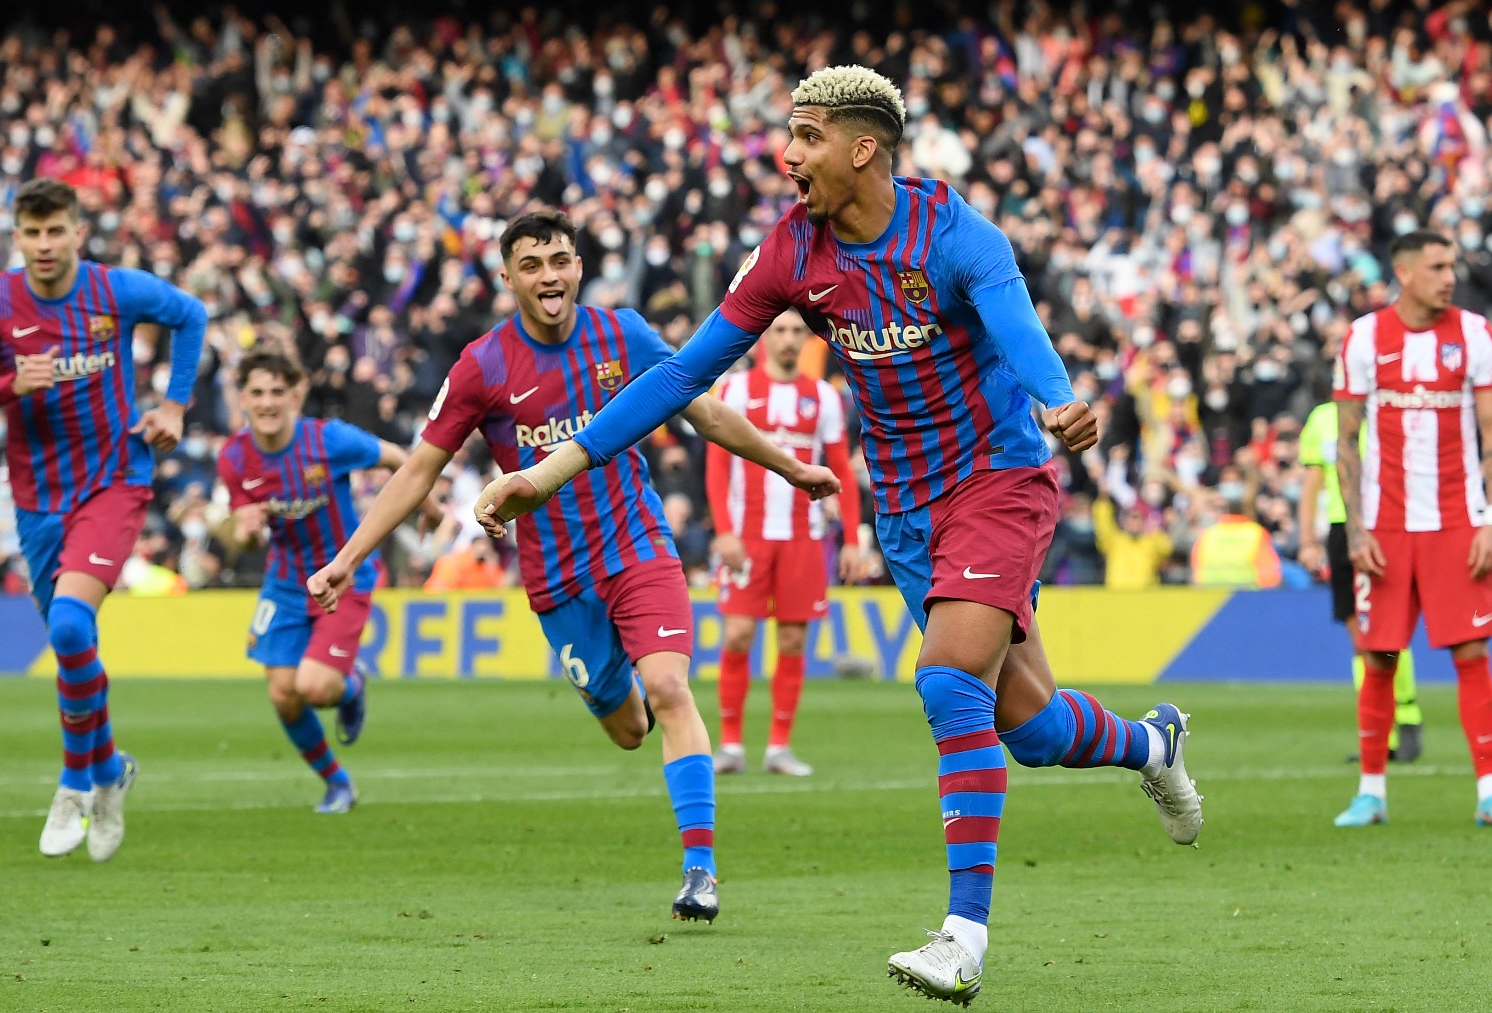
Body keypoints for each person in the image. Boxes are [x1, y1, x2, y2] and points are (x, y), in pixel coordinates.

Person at [471, 67, 1202, 1004]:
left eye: (806, 137)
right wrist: (548, 469)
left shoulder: (957, 237)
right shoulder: (790, 251)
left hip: (997, 481)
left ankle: (962, 937)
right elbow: (681, 375)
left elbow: (1020, 330)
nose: (787, 156)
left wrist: (1060, 398)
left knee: (946, 681)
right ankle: (1153, 745)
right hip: (903, 510)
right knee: (1028, 726)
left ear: (863, 148)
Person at [308, 209, 838, 923]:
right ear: (507, 279)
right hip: (558, 580)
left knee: (670, 687)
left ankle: (700, 870)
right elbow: (417, 472)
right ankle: (644, 692)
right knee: (628, 726)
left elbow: (707, 415)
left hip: (637, 545)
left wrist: (793, 468)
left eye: (559, 260)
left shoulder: (624, 335)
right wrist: (347, 558)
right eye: (531, 266)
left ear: (579, 266)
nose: (549, 276)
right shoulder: (482, 366)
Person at [0, 178, 206, 861]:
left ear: (79, 232)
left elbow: (191, 313)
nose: (46, 244)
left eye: (57, 230)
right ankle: (112, 768)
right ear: (17, 236)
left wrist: (174, 405)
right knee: (74, 641)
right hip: (38, 501)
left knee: (65, 623)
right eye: (33, 232)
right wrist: (9, 385)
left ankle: (73, 781)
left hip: (115, 480)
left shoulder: (116, 291)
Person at [1332, 229, 1492, 831]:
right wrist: (1356, 530)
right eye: (1438, 266)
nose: (1450, 276)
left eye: (1453, 266)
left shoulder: (1475, 335)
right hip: (1386, 525)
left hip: (1457, 521)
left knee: (1472, 653)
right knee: (1380, 657)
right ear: (1405, 271)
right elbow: (1346, 442)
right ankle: (1371, 792)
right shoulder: (1364, 338)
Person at [217, 351, 422, 814]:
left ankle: (351, 686)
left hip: (341, 577)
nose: (267, 403)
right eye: (257, 393)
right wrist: (243, 532)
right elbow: (243, 538)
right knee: (282, 695)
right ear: (242, 398)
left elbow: (398, 458)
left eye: (277, 392)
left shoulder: (328, 440)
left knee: (315, 689)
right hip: (285, 584)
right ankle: (337, 783)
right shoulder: (233, 458)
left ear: (296, 395)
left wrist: (425, 504)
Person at [706, 308, 871, 777]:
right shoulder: (735, 390)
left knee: (794, 640)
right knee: (738, 634)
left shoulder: (822, 397)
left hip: (803, 534)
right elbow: (718, 467)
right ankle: (732, 745)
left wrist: (853, 539)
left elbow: (841, 469)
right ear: (763, 338)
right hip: (748, 533)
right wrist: (723, 530)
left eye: (798, 331)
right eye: (779, 330)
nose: (788, 339)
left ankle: (779, 746)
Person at [1296, 399, 1424, 764]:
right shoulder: (1322, 418)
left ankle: (1408, 716)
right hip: (1341, 529)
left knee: (1387, 631)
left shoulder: (1390, 409)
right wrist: (1307, 539)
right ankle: (1382, 731)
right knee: (1360, 635)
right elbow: (1313, 484)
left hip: (1388, 526)